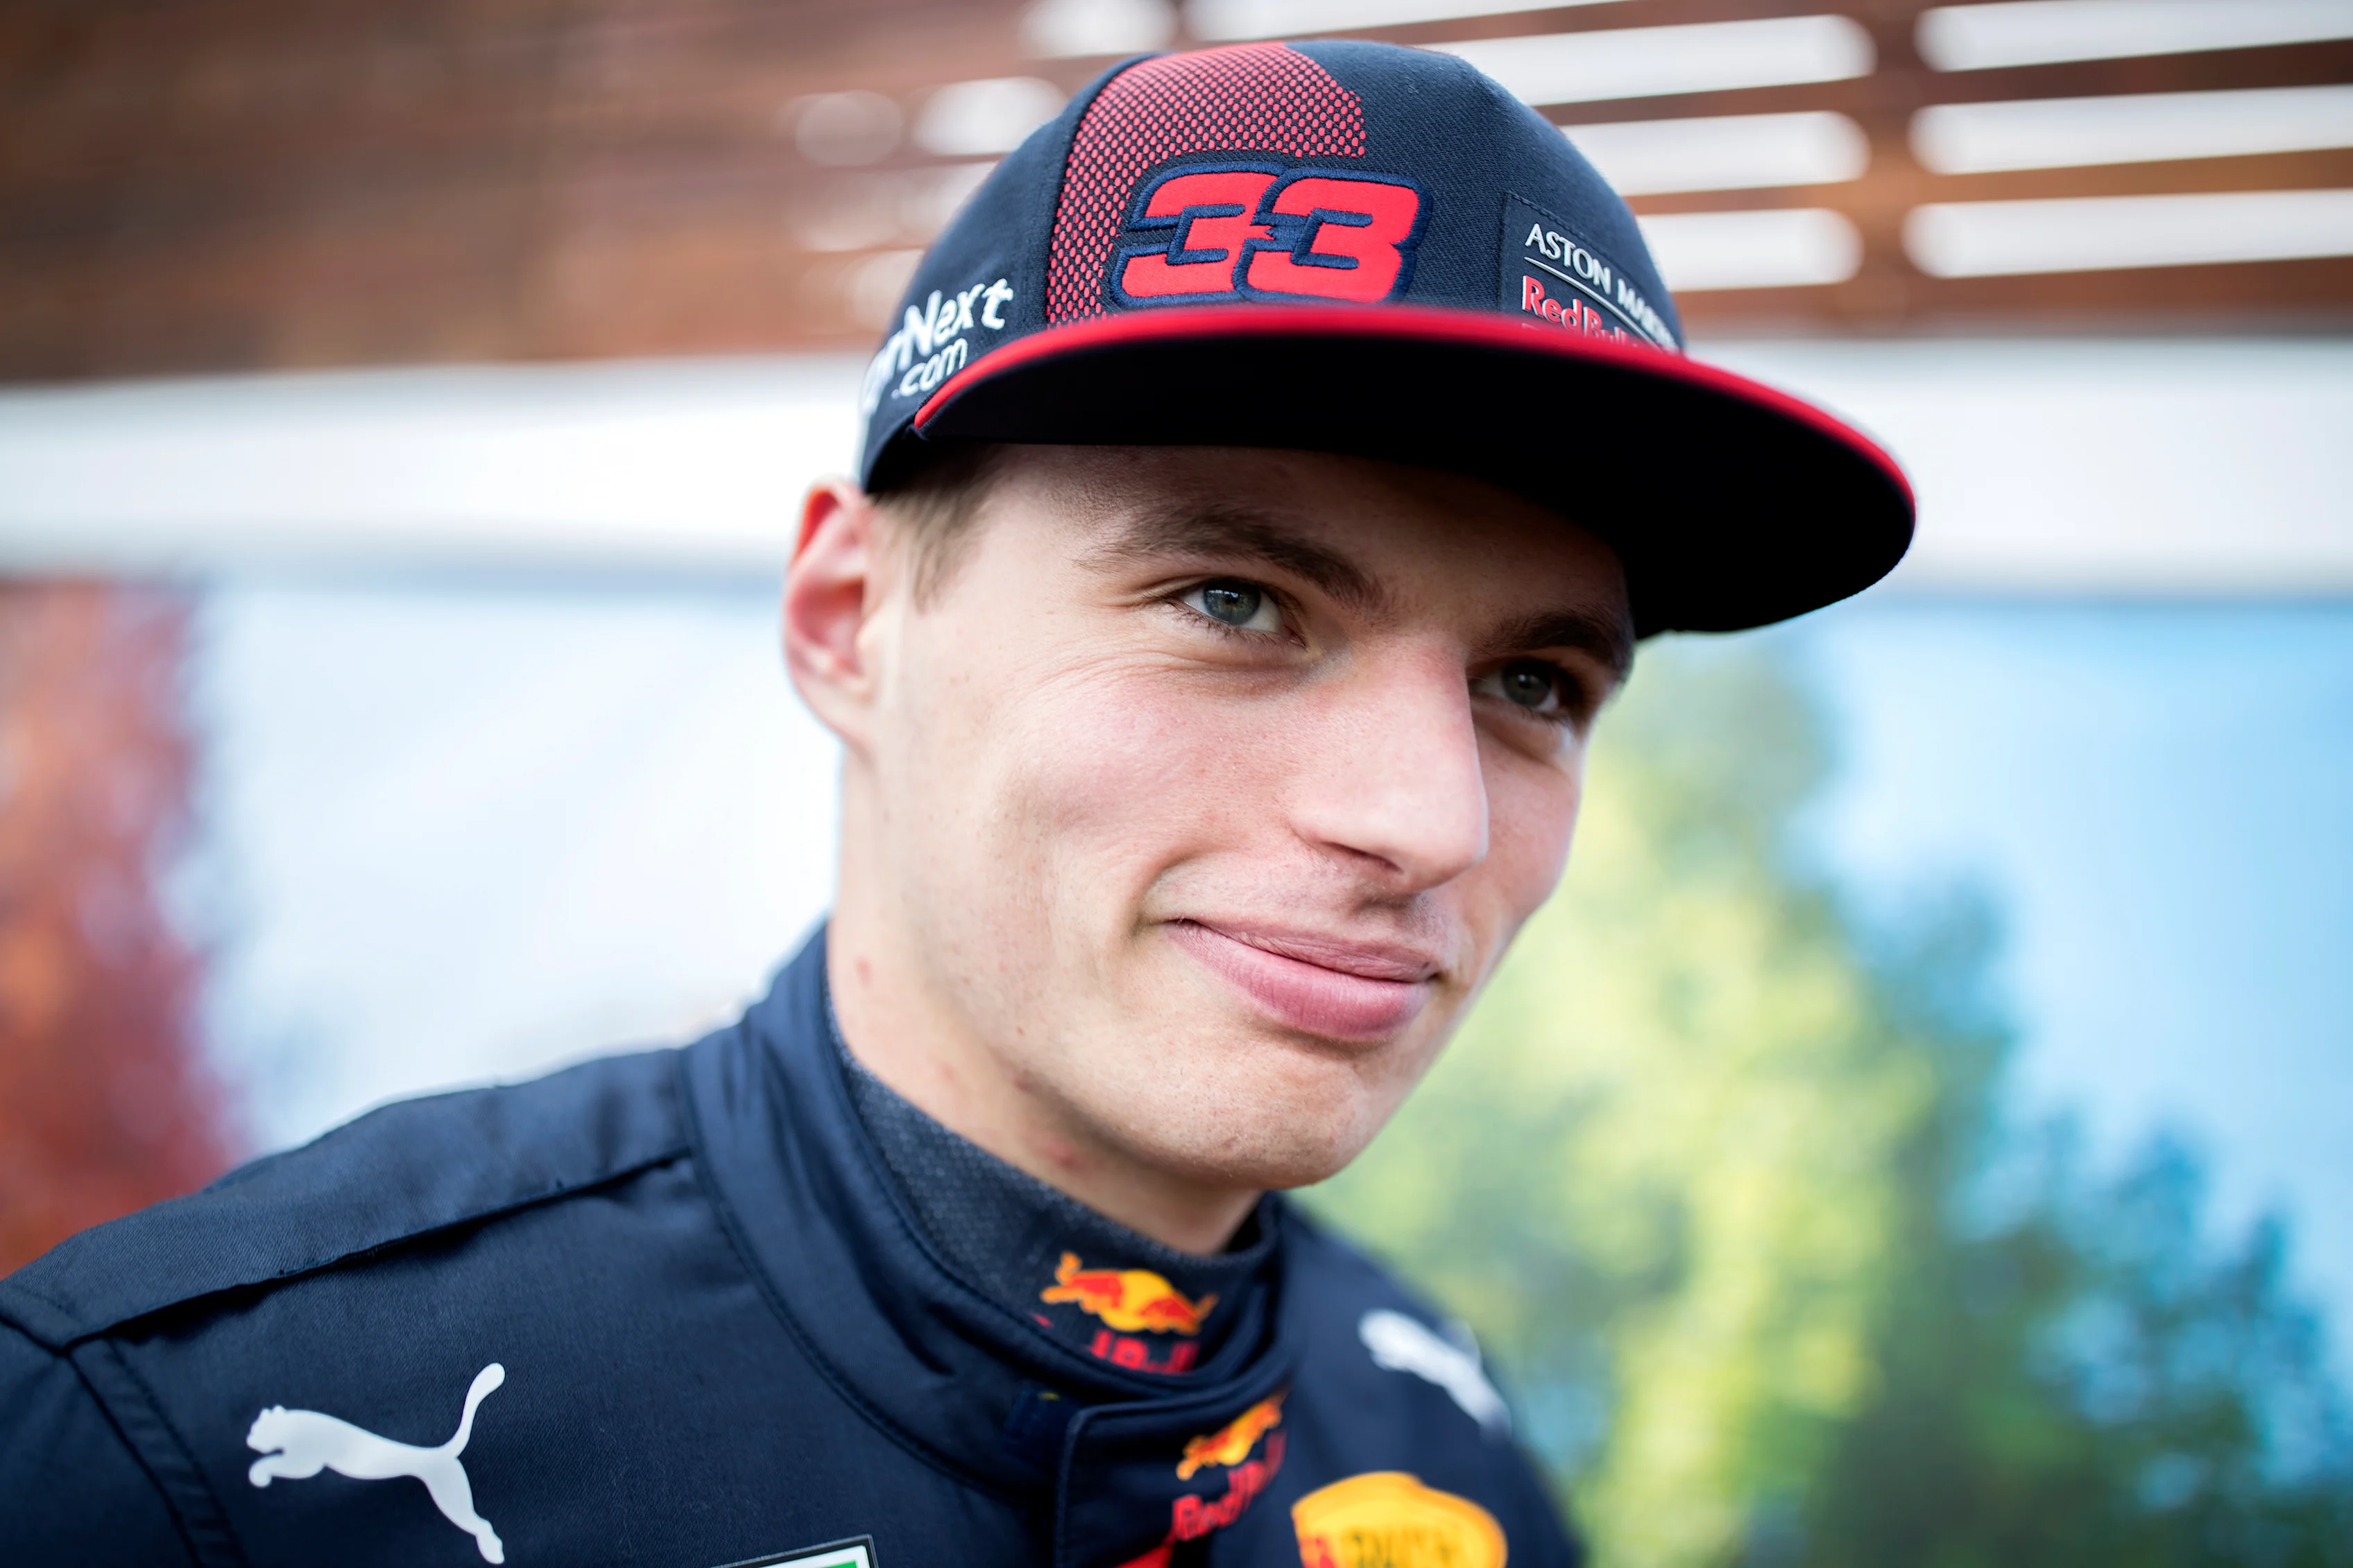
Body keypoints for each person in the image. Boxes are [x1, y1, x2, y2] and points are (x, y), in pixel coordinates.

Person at [0, 39, 1910, 1568]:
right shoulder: (181, 1447)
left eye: (1531, 685)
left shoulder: (1444, 1451)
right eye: (1236, 601)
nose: (1429, 820)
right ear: (849, 623)